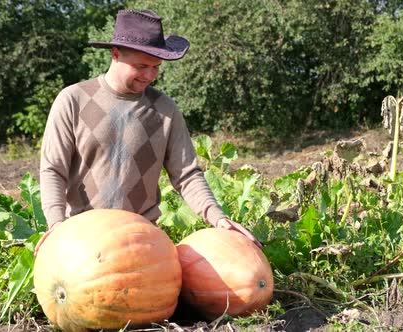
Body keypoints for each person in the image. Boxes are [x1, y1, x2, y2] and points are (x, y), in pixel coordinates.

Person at [35, 9, 260, 254]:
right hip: (81, 240)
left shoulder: (164, 110)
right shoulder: (74, 100)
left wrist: (219, 218)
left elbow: (187, 175)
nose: (150, 75)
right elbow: (53, 170)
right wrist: (56, 226)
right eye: (142, 66)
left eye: (156, 67)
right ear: (115, 54)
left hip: (140, 241)